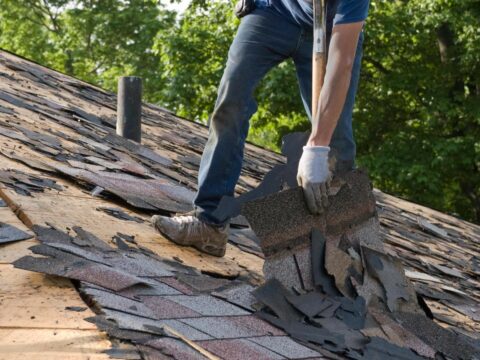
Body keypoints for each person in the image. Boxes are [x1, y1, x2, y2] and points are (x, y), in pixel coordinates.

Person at [152, 0, 370, 257]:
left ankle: (342, 254)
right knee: (231, 103)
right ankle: (209, 223)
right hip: (273, 13)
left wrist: (317, 146)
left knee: (337, 142)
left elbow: (342, 61)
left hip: (332, 29)